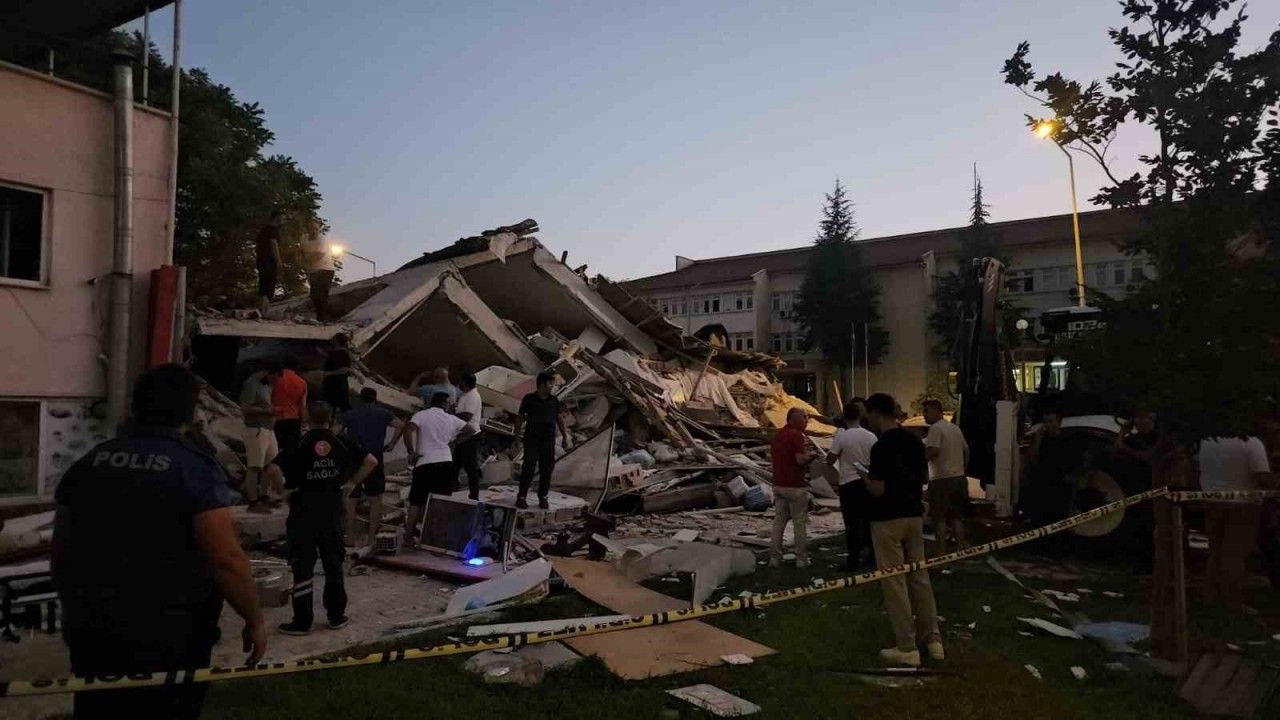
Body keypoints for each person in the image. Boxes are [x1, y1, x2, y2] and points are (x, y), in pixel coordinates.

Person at [52, 364, 266, 719]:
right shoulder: (193, 469)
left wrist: (74, 609)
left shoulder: (89, 464)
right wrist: (254, 619)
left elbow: (61, 549)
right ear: (190, 412)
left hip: (94, 630)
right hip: (170, 636)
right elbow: (226, 559)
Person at [265, 401, 377, 635]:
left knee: (302, 566)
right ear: (330, 417)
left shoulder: (299, 442)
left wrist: (283, 492)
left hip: (303, 511)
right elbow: (371, 461)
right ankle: (336, 616)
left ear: (307, 417)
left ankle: (302, 621)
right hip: (333, 510)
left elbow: (273, 469)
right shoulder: (341, 442)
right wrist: (352, 483)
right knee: (333, 564)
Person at [864, 392, 942, 667]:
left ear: (876, 413)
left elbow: (878, 489)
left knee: (894, 581)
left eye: (869, 415)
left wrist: (865, 479)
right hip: (913, 515)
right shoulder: (914, 441)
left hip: (887, 518)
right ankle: (933, 639)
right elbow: (924, 478)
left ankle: (907, 646)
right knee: (919, 576)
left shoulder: (880, 446)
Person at [1197, 435, 1274, 606]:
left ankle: (1211, 597)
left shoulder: (1208, 441)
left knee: (1216, 552)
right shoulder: (1251, 442)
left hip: (1212, 501)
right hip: (1243, 503)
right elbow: (1262, 476)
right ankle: (1231, 601)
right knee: (1235, 554)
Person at [403, 392, 477, 544]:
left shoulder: (421, 415)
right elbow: (471, 430)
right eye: (450, 404)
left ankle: (408, 537)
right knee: (441, 501)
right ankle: (434, 539)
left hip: (424, 462)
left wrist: (411, 452)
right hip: (445, 462)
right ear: (445, 403)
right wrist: (455, 442)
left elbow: (408, 429)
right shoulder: (451, 419)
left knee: (416, 501)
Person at [341, 388, 405, 546]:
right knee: (375, 499)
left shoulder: (350, 414)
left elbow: (335, 431)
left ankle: (349, 538)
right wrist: (392, 443)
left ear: (360, 399)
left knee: (351, 499)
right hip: (375, 456)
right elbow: (400, 424)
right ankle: (371, 539)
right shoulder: (383, 413)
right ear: (375, 399)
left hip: (354, 458)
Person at [827, 399, 878, 569]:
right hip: (866, 481)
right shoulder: (870, 436)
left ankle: (853, 559)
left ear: (844, 417)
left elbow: (830, 459)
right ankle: (872, 556)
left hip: (848, 483)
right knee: (869, 520)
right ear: (860, 416)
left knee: (851, 523)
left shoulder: (842, 436)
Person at [513, 371, 571, 510]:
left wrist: (565, 436)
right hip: (532, 440)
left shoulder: (554, 401)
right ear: (542, 384)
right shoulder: (529, 399)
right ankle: (522, 496)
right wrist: (517, 438)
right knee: (528, 468)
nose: (552, 386)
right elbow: (520, 418)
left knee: (547, 470)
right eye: (550, 383)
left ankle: (543, 497)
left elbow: (559, 419)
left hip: (548, 441)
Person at [770, 407, 817, 568]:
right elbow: (799, 460)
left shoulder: (778, 435)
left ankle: (774, 558)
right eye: (803, 417)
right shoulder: (796, 435)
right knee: (799, 523)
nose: (806, 420)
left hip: (778, 484)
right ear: (792, 419)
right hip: (795, 486)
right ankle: (801, 559)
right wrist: (812, 457)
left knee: (778, 522)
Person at [922, 399, 970, 555]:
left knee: (939, 518)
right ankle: (961, 547)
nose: (924, 415)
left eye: (926, 411)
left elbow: (933, 451)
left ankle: (940, 551)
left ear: (937, 411)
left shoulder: (935, 428)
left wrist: (920, 460)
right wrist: (962, 468)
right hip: (959, 478)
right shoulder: (955, 428)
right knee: (956, 516)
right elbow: (966, 451)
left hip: (941, 479)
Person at [239, 360, 281, 512]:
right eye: (274, 378)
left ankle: (264, 495)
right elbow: (245, 408)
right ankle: (253, 502)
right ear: (267, 373)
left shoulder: (266, 386)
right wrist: (267, 411)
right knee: (255, 466)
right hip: (256, 429)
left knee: (270, 463)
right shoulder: (252, 384)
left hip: (268, 428)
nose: (275, 381)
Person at [453, 372, 484, 500]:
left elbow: (467, 416)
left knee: (470, 466)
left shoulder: (472, 396)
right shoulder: (466, 395)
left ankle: (474, 495)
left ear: (465, 383)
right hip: (463, 434)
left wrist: (451, 416)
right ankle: (452, 487)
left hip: (470, 435)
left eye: (461, 381)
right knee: (455, 463)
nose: (459, 383)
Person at [300, 220, 336, 321]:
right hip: (313, 270)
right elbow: (301, 251)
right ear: (308, 229)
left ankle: (322, 318)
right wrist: (302, 261)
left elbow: (319, 255)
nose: (315, 231)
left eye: (317, 229)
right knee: (314, 294)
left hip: (326, 269)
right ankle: (320, 315)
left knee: (322, 293)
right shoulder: (303, 238)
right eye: (312, 228)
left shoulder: (322, 239)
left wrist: (306, 261)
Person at [272, 356, 308, 453]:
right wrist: (303, 421)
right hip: (294, 419)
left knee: (275, 449)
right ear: (297, 366)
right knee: (291, 450)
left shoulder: (275, 378)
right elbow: (302, 406)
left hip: (276, 417)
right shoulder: (302, 382)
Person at [254, 210, 282, 313]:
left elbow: (257, 247)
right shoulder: (273, 230)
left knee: (263, 284)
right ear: (277, 217)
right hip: (269, 260)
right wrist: (278, 260)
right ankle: (264, 310)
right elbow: (274, 244)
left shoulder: (262, 231)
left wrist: (258, 258)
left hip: (261, 260)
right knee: (269, 285)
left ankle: (261, 310)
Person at [321, 332, 353, 416]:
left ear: (337, 341)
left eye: (334, 338)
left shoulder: (343, 353)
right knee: (330, 405)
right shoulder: (335, 352)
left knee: (341, 407)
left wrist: (330, 373)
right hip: (331, 383)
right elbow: (331, 358)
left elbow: (345, 369)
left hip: (338, 384)